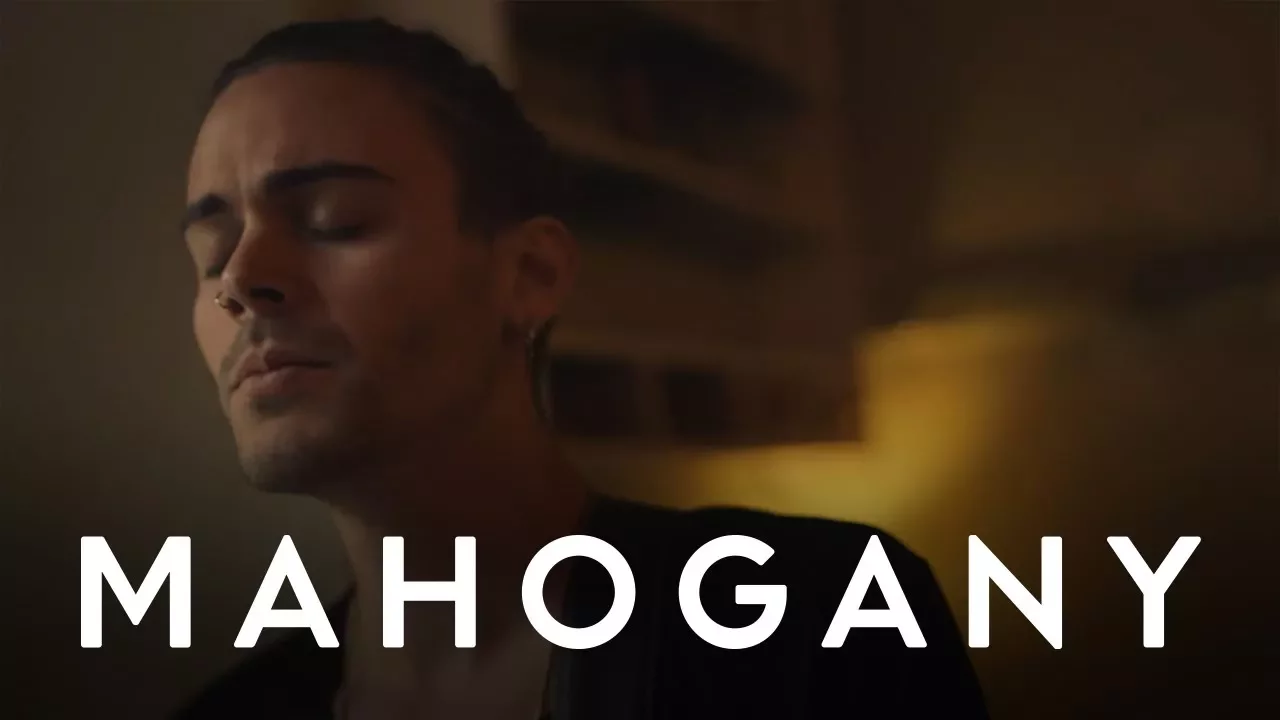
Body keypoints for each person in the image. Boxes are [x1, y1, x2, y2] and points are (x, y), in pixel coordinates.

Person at [174, 18, 988, 720]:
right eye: (211, 254)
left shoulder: (819, 624)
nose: (239, 281)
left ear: (530, 274)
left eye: (335, 220)